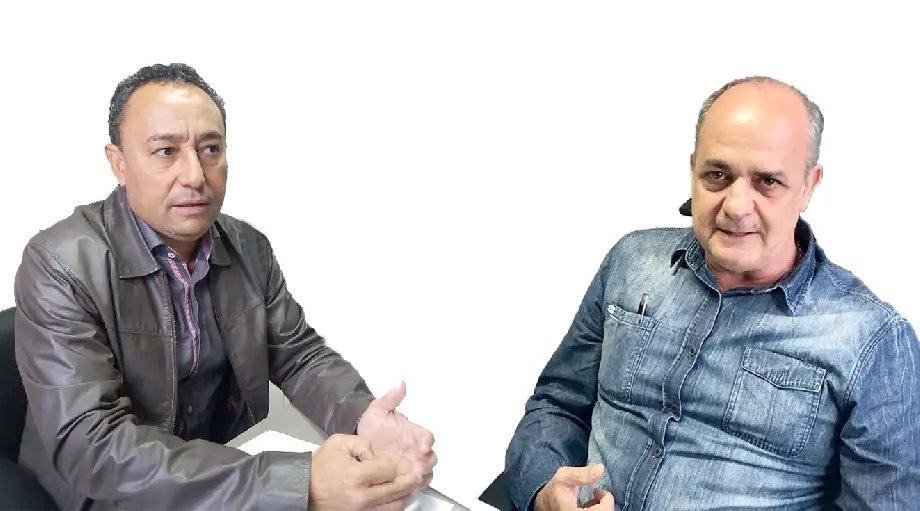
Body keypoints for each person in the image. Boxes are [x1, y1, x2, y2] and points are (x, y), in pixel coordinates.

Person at [13, 62, 437, 511]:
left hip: (225, 476)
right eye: (166, 151)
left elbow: (299, 356)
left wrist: (363, 417)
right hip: (105, 493)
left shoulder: (248, 246)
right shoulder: (58, 264)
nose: (195, 175)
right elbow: (91, 444)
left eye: (210, 149)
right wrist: (300, 484)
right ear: (118, 162)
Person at [504, 76, 920, 510]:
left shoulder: (873, 341)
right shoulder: (631, 261)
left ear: (808, 185)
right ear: (693, 170)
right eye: (717, 175)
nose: (736, 206)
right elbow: (557, 404)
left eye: (767, 182)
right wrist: (544, 490)